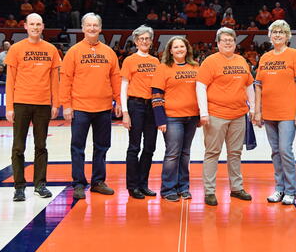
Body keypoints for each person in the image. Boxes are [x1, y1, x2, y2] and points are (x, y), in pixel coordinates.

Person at [60, 13, 122, 199]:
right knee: (78, 147)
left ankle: (98, 182)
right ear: (83, 28)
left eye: (95, 25)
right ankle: (78, 183)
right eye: (89, 25)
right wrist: (66, 105)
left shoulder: (109, 52)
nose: (92, 29)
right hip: (80, 107)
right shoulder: (74, 52)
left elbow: (115, 78)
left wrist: (118, 100)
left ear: (100, 28)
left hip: (103, 107)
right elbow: (66, 79)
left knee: (102, 146)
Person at [196, 27, 255, 206]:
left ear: (235, 42)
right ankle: (209, 191)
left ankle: (236, 188)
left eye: (231, 40)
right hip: (216, 114)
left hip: (238, 115)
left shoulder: (242, 61)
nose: (228, 42)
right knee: (212, 152)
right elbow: (200, 86)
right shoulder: (210, 62)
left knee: (235, 153)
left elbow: (249, 86)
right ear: (218, 43)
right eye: (224, 40)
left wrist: (252, 108)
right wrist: (203, 112)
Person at [5, 13, 61, 202]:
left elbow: (55, 80)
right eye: (32, 24)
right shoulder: (16, 49)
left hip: (43, 104)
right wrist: (9, 106)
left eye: (38, 24)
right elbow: (10, 80)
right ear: (25, 27)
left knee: (41, 146)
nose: (35, 27)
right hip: (21, 102)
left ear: (43, 26)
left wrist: (56, 103)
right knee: (18, 147)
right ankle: (19, 187)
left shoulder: (51, 49)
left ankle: (40, 184)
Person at [254, 20, 296, 206]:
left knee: (285, 150)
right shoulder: (265, 57)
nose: (277, 35)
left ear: (287, 36)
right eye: (274, 32)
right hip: (269, 113)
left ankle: (291, 191)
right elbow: (259, 86)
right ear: (270, 35)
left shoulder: (295, 55)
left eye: (281, 32)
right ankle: (279, 189)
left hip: (288, 112)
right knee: (275, 152)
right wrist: (258, 110)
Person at [151, 36, 199, 202]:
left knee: (185, 154)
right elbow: (156, 95)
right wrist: (160, 120)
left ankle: (183, 187)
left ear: (187, 49)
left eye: (182, 46)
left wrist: (199, 114)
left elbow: (200, 92)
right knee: (172, 154)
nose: (179, 49)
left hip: (191, 117)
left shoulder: (195, 67)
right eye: (176, 47)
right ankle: (168, 189)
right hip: (172, 118)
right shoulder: (163, 68)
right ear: (170, 51)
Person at [121, 25, 160, 199]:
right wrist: (125, 111)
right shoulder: (129, 60)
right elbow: (124, 86)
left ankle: (143, 184)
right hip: (135, 105)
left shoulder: (156, 61)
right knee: (134, 147)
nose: (144, 41)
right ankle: (132, 186)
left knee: (150, 147)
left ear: (151, 42)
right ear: (136, 41)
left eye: (147, 38)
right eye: (141, 39)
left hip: (152, 107)